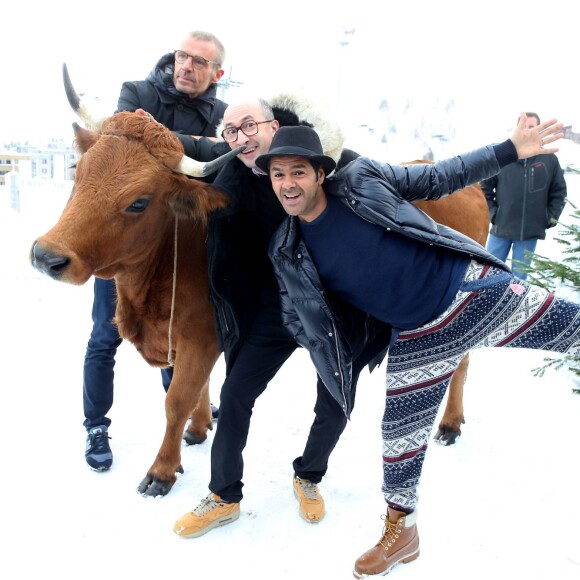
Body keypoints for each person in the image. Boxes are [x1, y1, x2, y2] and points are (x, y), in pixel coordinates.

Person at [257, 120, 579, 577]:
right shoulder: (286, 250)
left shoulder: (363, 181)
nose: (289, 183)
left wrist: (510, 148)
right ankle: (401, 534)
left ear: (320, 173)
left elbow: (442, 175)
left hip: (473, 294)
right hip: (416, 339)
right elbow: (300, 318)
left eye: (298, 172)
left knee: (574, 328)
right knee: (398, 444)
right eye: (279, 174)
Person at [172, 97, 390, 537]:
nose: (239, 138)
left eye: (248, 125)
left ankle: (308, 477)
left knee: (335, 402)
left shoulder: (337, 165)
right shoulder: (233, 173)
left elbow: (397, 196)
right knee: (234, 397)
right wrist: (138, 125)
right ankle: (224, 495)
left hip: (333, 308)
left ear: (273, 126)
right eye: (230, 132)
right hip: (273, 309)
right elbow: (189, 145)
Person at [83, 30, 227, 471]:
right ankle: (96, 424)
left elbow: (217, 171)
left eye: (200, 62)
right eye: (183, 56)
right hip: (128, 242)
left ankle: (185, 409)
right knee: (106, 335)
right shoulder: (137, 92)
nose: (187, 66)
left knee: (179, 337)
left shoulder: (222, 114)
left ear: (217, 73)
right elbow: (118, 154)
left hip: (182, 248)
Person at [482, 112, 567, 279]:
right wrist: (493, 213)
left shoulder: (549, 159)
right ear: (518, 129)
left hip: (529, 233)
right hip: (501, 228)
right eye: (525, 126)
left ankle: (513, 306)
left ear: (539, 130)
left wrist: (549, 217)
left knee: (518, 283)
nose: (528, 130)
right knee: (487, 275)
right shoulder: (504, 156)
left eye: (532, 127)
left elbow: (559, 192)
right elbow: (485, 188)